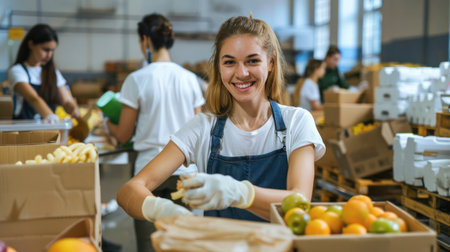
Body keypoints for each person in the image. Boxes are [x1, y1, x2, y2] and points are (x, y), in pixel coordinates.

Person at [116, 15, 325, 225]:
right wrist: (161, 210)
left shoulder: (296, 122)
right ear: (219, 66)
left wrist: (239, 193)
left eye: (252, 60)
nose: (241, 73)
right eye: (229, 62)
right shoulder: (203, 128)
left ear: (270, 63)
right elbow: (129, 191)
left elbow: (299, 201)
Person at [105, 13, 204, 252]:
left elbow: (124, 134)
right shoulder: (190, 79)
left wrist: (108, 123)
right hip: (185, 171)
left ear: (145, 40)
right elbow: (198, 129)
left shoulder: (137, 79)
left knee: (151, 246)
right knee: (183, 244)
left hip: (148, 174)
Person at [8, 24, 79, 122]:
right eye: (46, 49)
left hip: (47, 130)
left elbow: (66, 101)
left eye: (52, 50)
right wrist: (51, 117)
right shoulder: (17, 71)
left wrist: (72, 107)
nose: (49, 55)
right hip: (24, 131)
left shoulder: (53, 73)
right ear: (31, 44)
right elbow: (33, 98)